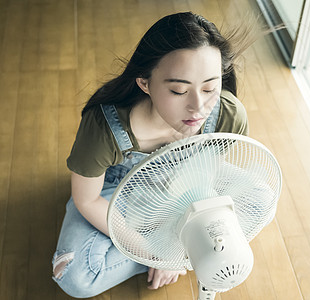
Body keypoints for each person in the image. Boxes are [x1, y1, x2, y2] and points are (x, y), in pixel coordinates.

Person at [52, 11, 250, 298]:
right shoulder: (103, 127)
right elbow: (87, 199)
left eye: (210, 87)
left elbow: (210, 174)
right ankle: (187, 250)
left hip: (187, 183)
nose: (198, 107)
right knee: (74, 276)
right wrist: (158, 254)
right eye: (179, 91)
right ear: (145, 83)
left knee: (259, 192)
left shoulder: (228, 115)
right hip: (114, 189)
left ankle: (182, 243)